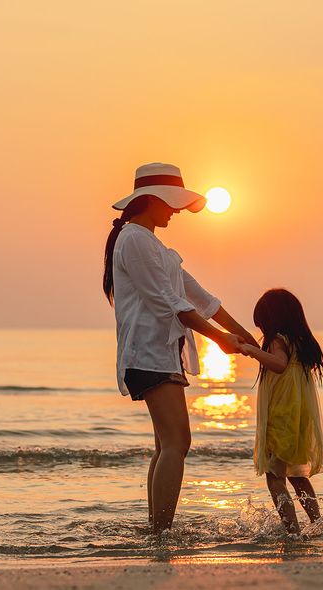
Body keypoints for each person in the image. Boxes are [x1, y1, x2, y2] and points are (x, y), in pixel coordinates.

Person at [104, 162, 259, 533]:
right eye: (171, 202)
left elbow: (199, 297)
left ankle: (157, 529)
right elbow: (169, 303)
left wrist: (245, 335)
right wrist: (221, 340)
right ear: (152, 199)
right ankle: (161, 532)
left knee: (166, 445)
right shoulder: (135, 239)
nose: (176, 210)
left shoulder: (154, 245)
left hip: (162, 352)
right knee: (177, 442)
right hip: (148, 353)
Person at [238, 289, 323, 534]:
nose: (263, 333)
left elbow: (279, 365)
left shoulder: (278, 341)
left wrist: (252, 351)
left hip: (282, 417)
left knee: (274, 476)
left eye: (262, 326)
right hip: (298, 417)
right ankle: (318, 524)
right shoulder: (301, 343)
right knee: (298, 477)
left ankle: (292, 530)